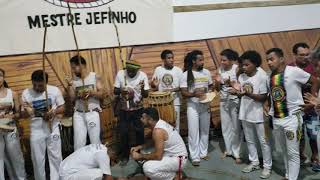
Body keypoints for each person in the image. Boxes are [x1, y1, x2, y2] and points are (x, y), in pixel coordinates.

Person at [266, 48, 318, 180]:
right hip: (277, 119)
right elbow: (272, 95)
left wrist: (312, 99)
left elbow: (315, 80)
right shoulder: (270, 76)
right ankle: (288, 175)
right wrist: (267, 106)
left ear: (281, 59)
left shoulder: (293, 71)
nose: (269, 62)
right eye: (267, 60)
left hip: (292, 118)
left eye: (271, 59)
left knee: (293, 152)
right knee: (284, 150)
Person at [233, 51, 272, 178]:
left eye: (246, 65)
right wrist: (236, 92)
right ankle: (254, 162)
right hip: (245, 113)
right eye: (242, 65)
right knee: (249, 140)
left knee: (263, 142)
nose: (243, 67)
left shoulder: (262, 76)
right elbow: (240, 91)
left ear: (255, 64)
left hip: (259, 114)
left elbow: (262, 97)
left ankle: (267, 167)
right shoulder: (242, 76)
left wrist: (245, 94)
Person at [21, 70, 65, 180]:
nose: (36, 88)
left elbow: (62, 107)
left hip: (53, 128)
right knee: (37, 159)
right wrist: (28, 112)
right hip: (36, 131)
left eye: (40, 85)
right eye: (34, 84)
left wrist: (54, 112)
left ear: (46, 82)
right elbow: (23, 114)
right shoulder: (26, 93)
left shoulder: (54, 90)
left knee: (56, 156)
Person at [131, 107, 188, 180]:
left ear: (150, 120)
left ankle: (174, 176)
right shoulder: (159, 123)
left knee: (147, 168)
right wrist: (140, 147)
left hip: (179, 160)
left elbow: (158, 156)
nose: (141, 119)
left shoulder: (158, 131)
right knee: (145, 153)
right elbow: (156, 140)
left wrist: (140, 156)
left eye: (143, 118)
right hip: (173, 156)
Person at [114, 60, 150, 165]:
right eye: (129, 70)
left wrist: (143, 88)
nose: (130, 73)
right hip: (123, 110)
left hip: (138, 109)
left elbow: (146, 94)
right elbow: (115, 90)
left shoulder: (142, 75)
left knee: (139, 132)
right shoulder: (121, 74)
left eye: (133, 71)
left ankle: (139, 154)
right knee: (124, 133)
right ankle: (125, 155)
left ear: (138, 70)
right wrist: (122, 90)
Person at [180, 50, 213, 166]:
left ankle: (203, 153)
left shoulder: (207, 73)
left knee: (205, 130)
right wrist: (194, 94)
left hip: (205, 105)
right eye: (200, 60)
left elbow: (210, 86)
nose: (202, 62)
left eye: (203, 60)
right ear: (194, 61)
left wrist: (210, 94)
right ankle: (195, 156)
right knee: (193, 131)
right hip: (193, 106)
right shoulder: (186, 75)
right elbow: (184, 93)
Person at [66, 55, 104, 150]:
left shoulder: (94, 76)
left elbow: (102, 94)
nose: (73, 70)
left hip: (92, 112)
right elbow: (72, 99)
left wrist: (92, 93)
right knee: (78, 143)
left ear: (82, 65)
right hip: (78, 114)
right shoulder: (73, 81)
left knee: (95, 141)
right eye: (72, 68)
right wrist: (70, 86)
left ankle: (97, 162)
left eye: (74, 68)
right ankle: (80, 164)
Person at [290, 42, 319, 166]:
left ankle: (315, 157)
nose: (306, 57)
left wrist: (312, 101)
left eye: (307, 54)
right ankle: (301, 156)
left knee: (314, 135)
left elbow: (317, 82)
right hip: (296, 110)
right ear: (294, 55)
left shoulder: (314, 67)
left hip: (312, 108)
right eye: (302, 55)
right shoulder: (289, 68)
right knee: (299, 136)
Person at [214, 49, 242, 163]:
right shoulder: (220, 69)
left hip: (235, 100)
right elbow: (217, 88)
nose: (222, 62)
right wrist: (217, 81)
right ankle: (228, 149)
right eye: (221, 60)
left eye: (224, 60)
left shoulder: (237, 69)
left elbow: (241, 87)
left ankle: (237, 153)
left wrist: (231, 84)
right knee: (226, 126)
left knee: (236, 127)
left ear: (231, 60)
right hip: (224, 100)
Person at [0, 68, 26, 180]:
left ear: (4, 77)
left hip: (10, 129)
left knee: (16, 158)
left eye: (0, 75)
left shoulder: (13, 93)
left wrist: (11, 116)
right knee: (1, 160)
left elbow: (18, 114)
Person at [151, 50, 183, 132]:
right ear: (163, 59)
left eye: (172, 58)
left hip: (175, 102)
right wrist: (154, 84)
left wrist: (171, 90)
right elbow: (153, 86)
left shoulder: (178, 70)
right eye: (169, 58)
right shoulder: (158, 70)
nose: (171, 60)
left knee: (175, 125)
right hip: (162, 103)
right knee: (163, 126)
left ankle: (176, 143)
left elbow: (182, 86)